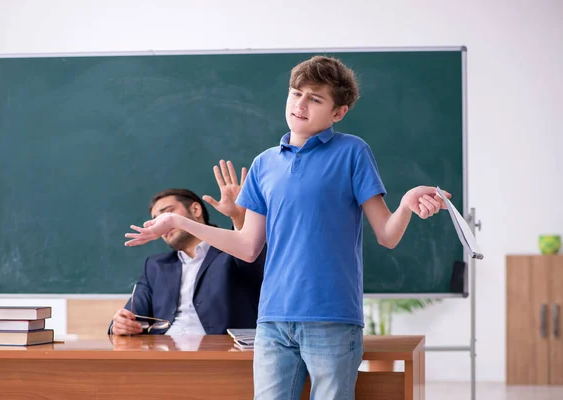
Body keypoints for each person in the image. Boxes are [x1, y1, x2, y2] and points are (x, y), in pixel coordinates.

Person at [125, 56, 451, 399]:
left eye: (315, 99)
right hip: (272, 321)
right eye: (296, 93)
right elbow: (247, 246)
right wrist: (179, 220)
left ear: (337, 113)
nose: (300, 105)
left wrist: (406, 204)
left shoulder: (352, 152)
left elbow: (387, 235)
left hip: (332, 317)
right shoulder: (264, 164)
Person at [111, 161, 264, 336]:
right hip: (165, 354)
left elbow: (255, 260)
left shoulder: (232, 253)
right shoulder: (155, 266)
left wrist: (239, 219)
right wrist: (120, 324)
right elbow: (132, 316)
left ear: (196, 209)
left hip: (220, 354)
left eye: (167, 212)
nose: (160, 223)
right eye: (155, 219)